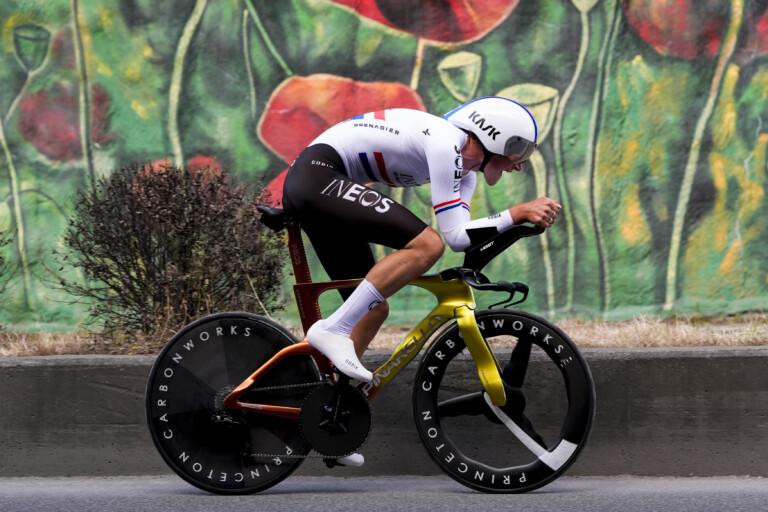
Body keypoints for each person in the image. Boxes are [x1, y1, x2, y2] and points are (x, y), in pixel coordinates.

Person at [280, 97, 561, 465]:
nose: (519, 164)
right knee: (427, 245)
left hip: (324, 184)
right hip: (317, 176)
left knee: (373, 310)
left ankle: (330, 417)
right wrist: (518, 211)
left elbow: (460, 237)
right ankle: (333, 329)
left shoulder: (466, 174)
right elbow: (445, 239)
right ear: (494, 136)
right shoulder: (446, 141)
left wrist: (516, 221)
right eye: (518, 151)